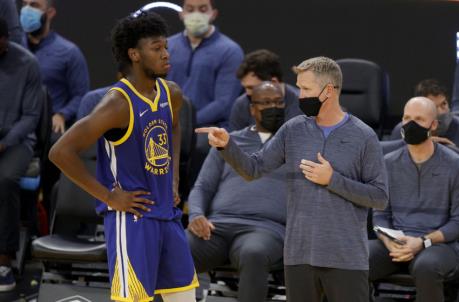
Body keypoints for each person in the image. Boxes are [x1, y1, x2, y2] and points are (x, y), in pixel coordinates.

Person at [196, 56, 388, 302]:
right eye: (299, 88)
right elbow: (253, 169)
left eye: (306, 89)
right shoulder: (293, 129)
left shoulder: (364, 136)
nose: (299, 96)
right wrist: (227, 146)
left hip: (345, 256)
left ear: (328, 91)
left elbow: (380, 197)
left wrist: (332, 180)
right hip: (298, 255)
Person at [49, 12, 198, 302]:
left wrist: (175, 176)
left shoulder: (172, 94)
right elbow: (60, 152)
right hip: (133, 219)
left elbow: (174, 127)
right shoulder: (117, 104)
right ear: (135, 54)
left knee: (185, 297)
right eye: (157, 48)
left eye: (166, 47)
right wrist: (108, 197)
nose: (166, 54)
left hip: (168, 215)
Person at [187, 82, 286, 302]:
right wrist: (196, 215)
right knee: (174, 248)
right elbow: (203, 186)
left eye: (279, 103)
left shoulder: (294, 144)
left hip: (266, 229)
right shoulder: (228, 140)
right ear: (252, 109)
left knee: (254, 253)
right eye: (267, 103)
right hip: (217, 226)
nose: (274, 108)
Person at [370, 97, 459, 302]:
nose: (410, 124)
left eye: (419, 119)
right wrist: (388, 240)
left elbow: (457, 222)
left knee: (427, 266)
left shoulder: (454, 165)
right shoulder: (388, 163)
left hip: (438, 245)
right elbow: (380, 215)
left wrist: (422, 241)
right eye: (406, 118)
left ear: (433, 125)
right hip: (397, 242)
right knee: (353, 258)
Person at [0, 17, 42, 291]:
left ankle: (5, 259)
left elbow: (31, 116)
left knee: (3, 180)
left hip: (18, 140)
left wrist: (5, 143)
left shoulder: (27, 64)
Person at [167, 0, 243, 128]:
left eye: (202, 10)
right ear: (181, 13)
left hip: (209, 129)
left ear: (213, 14)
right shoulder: (166, 47)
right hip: (168, 124)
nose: (196, 15)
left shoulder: (230, 51)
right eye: (190, 10)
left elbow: (224, 103)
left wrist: (185, 123)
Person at [229, 49, 302, 131]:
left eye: (252, 88)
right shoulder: (241, 104)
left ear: (274, 82)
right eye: (245, 87)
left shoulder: (302, 104)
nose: (248, 93)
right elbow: (234, 141)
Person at [390, 79, 459, 148]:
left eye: (443, 104)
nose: (441, 112)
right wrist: (422, 144)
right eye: (433, 106)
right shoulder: (404, 129)